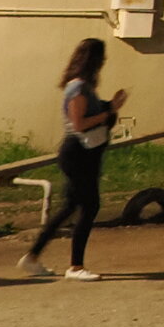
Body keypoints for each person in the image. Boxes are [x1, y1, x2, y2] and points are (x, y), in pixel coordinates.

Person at [20, 38, 126, 280]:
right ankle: (75, 267)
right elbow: (79, 124)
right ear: (94, 61)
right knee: (89, 206)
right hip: (79, 153)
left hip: (84, 153)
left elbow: (90, 113)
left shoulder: (83, 87)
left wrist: (111, 105)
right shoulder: (78, 88)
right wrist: (108, 113)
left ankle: (32, 257)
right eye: (102, 58)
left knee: (70, 207)